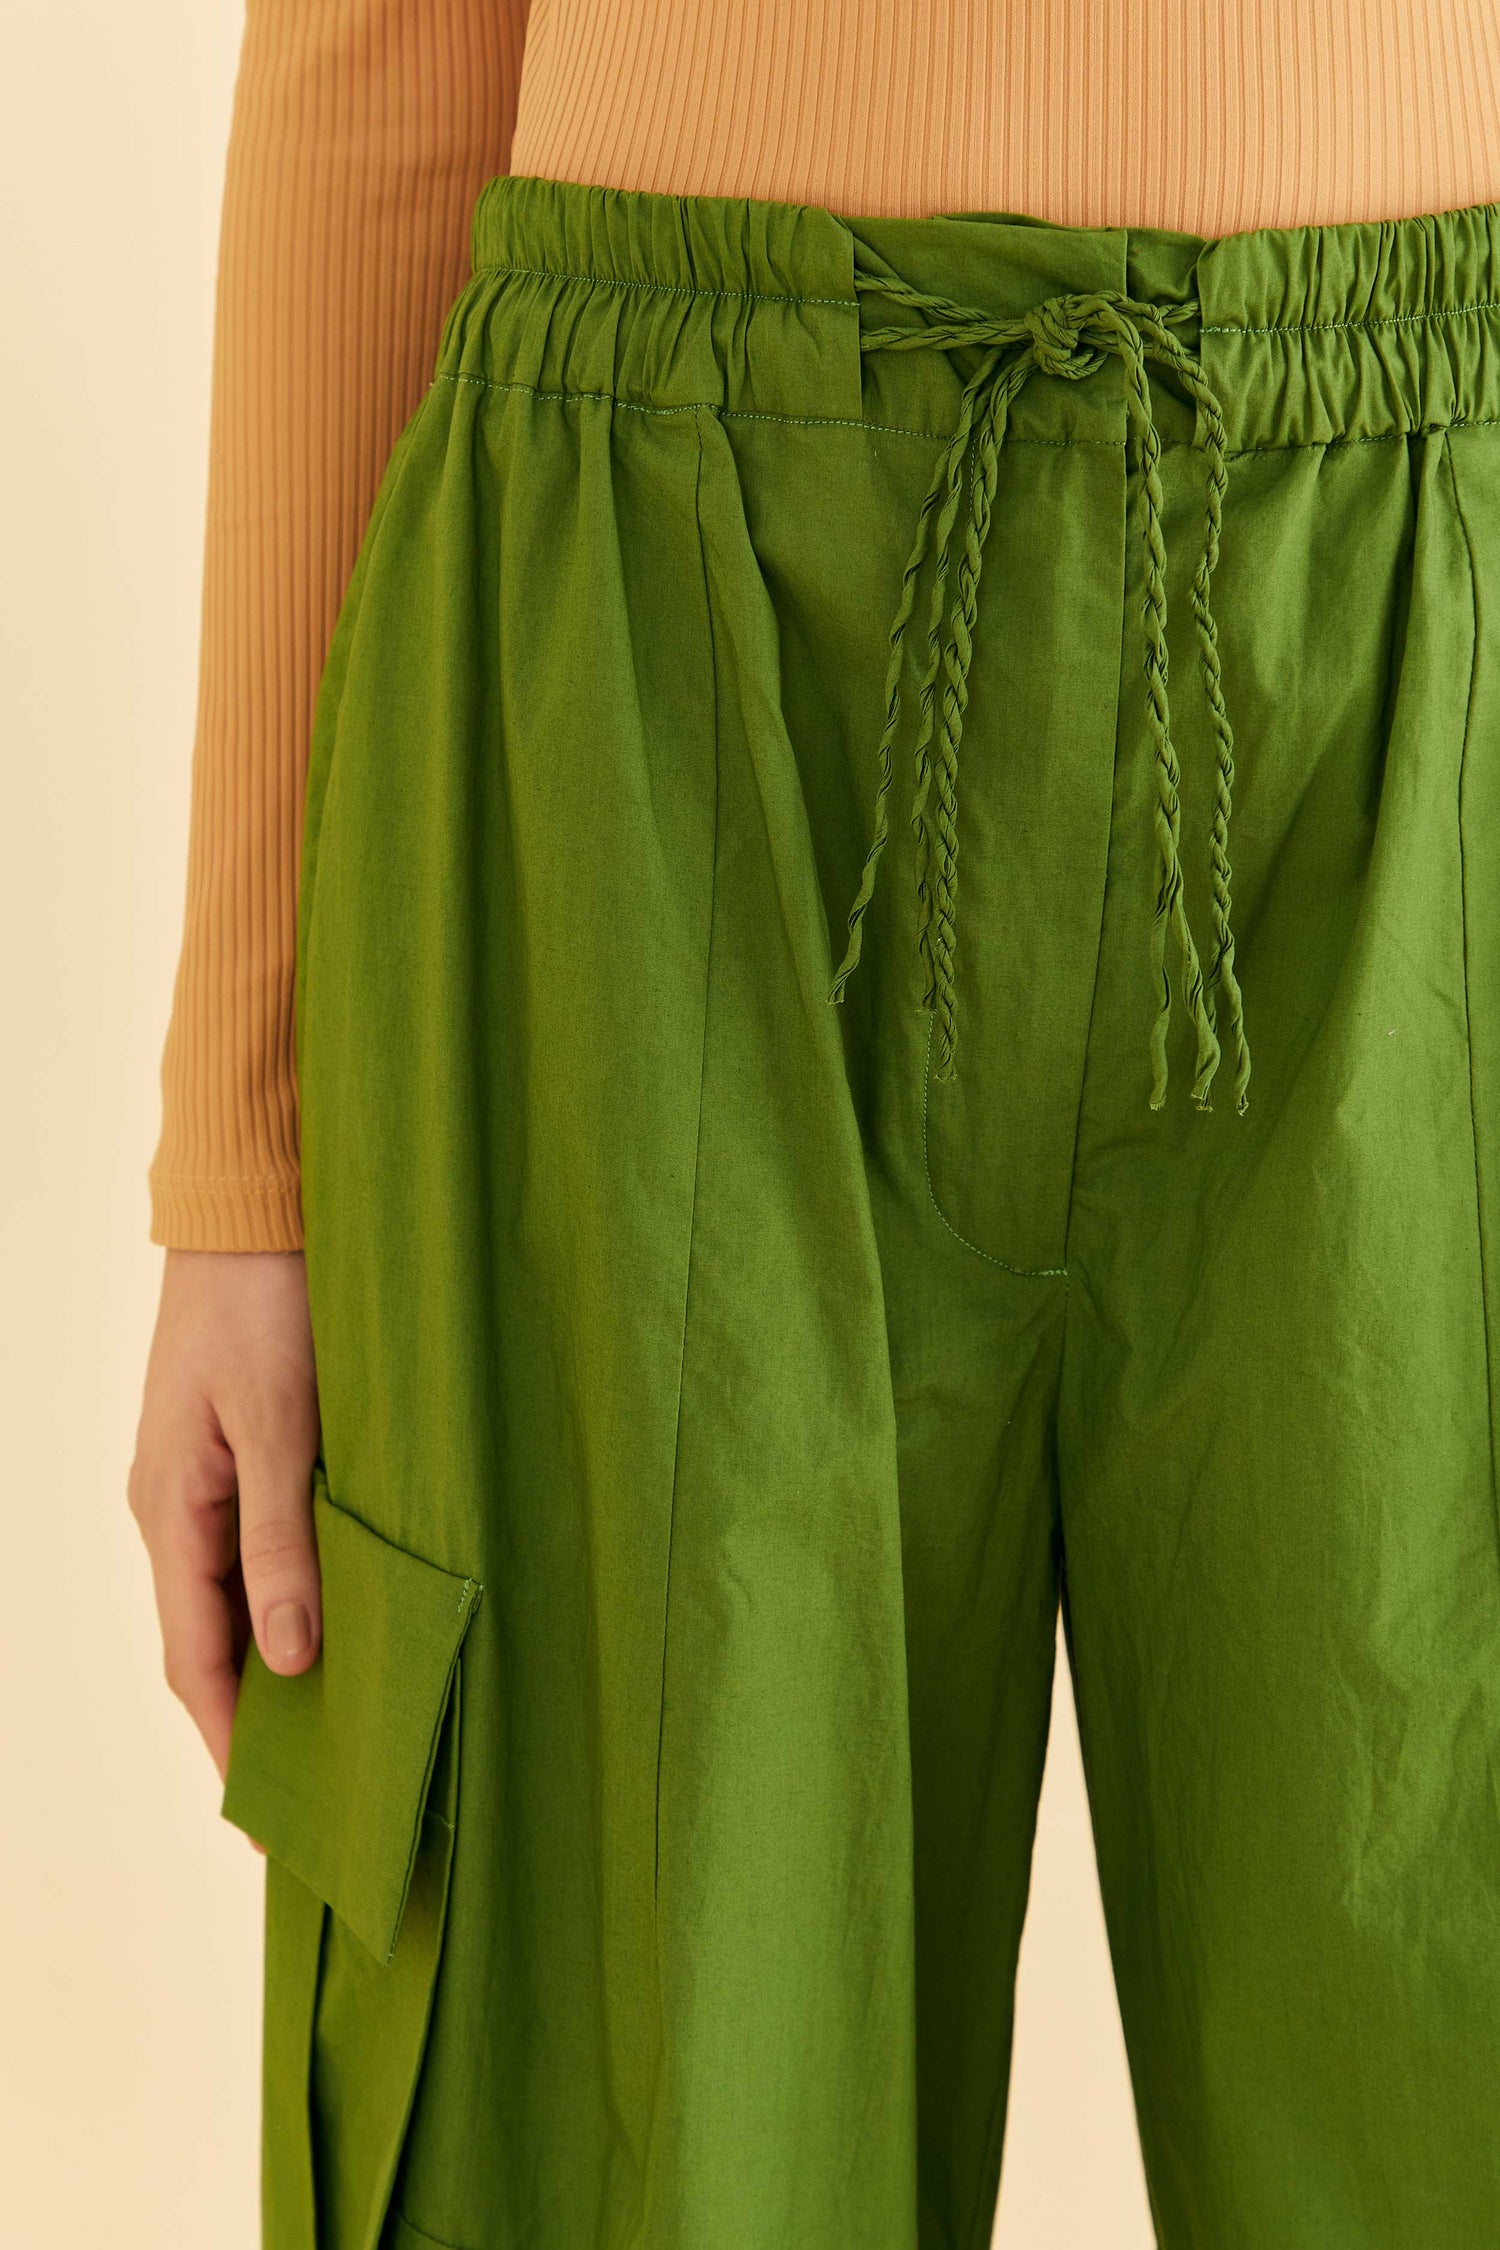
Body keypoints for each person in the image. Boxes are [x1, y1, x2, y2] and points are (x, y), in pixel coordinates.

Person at [128, 5, 1500, 2245]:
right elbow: (381, 59)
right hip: (643, 663)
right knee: (612, 2148)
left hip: (1434, 616)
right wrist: (247, 1157)